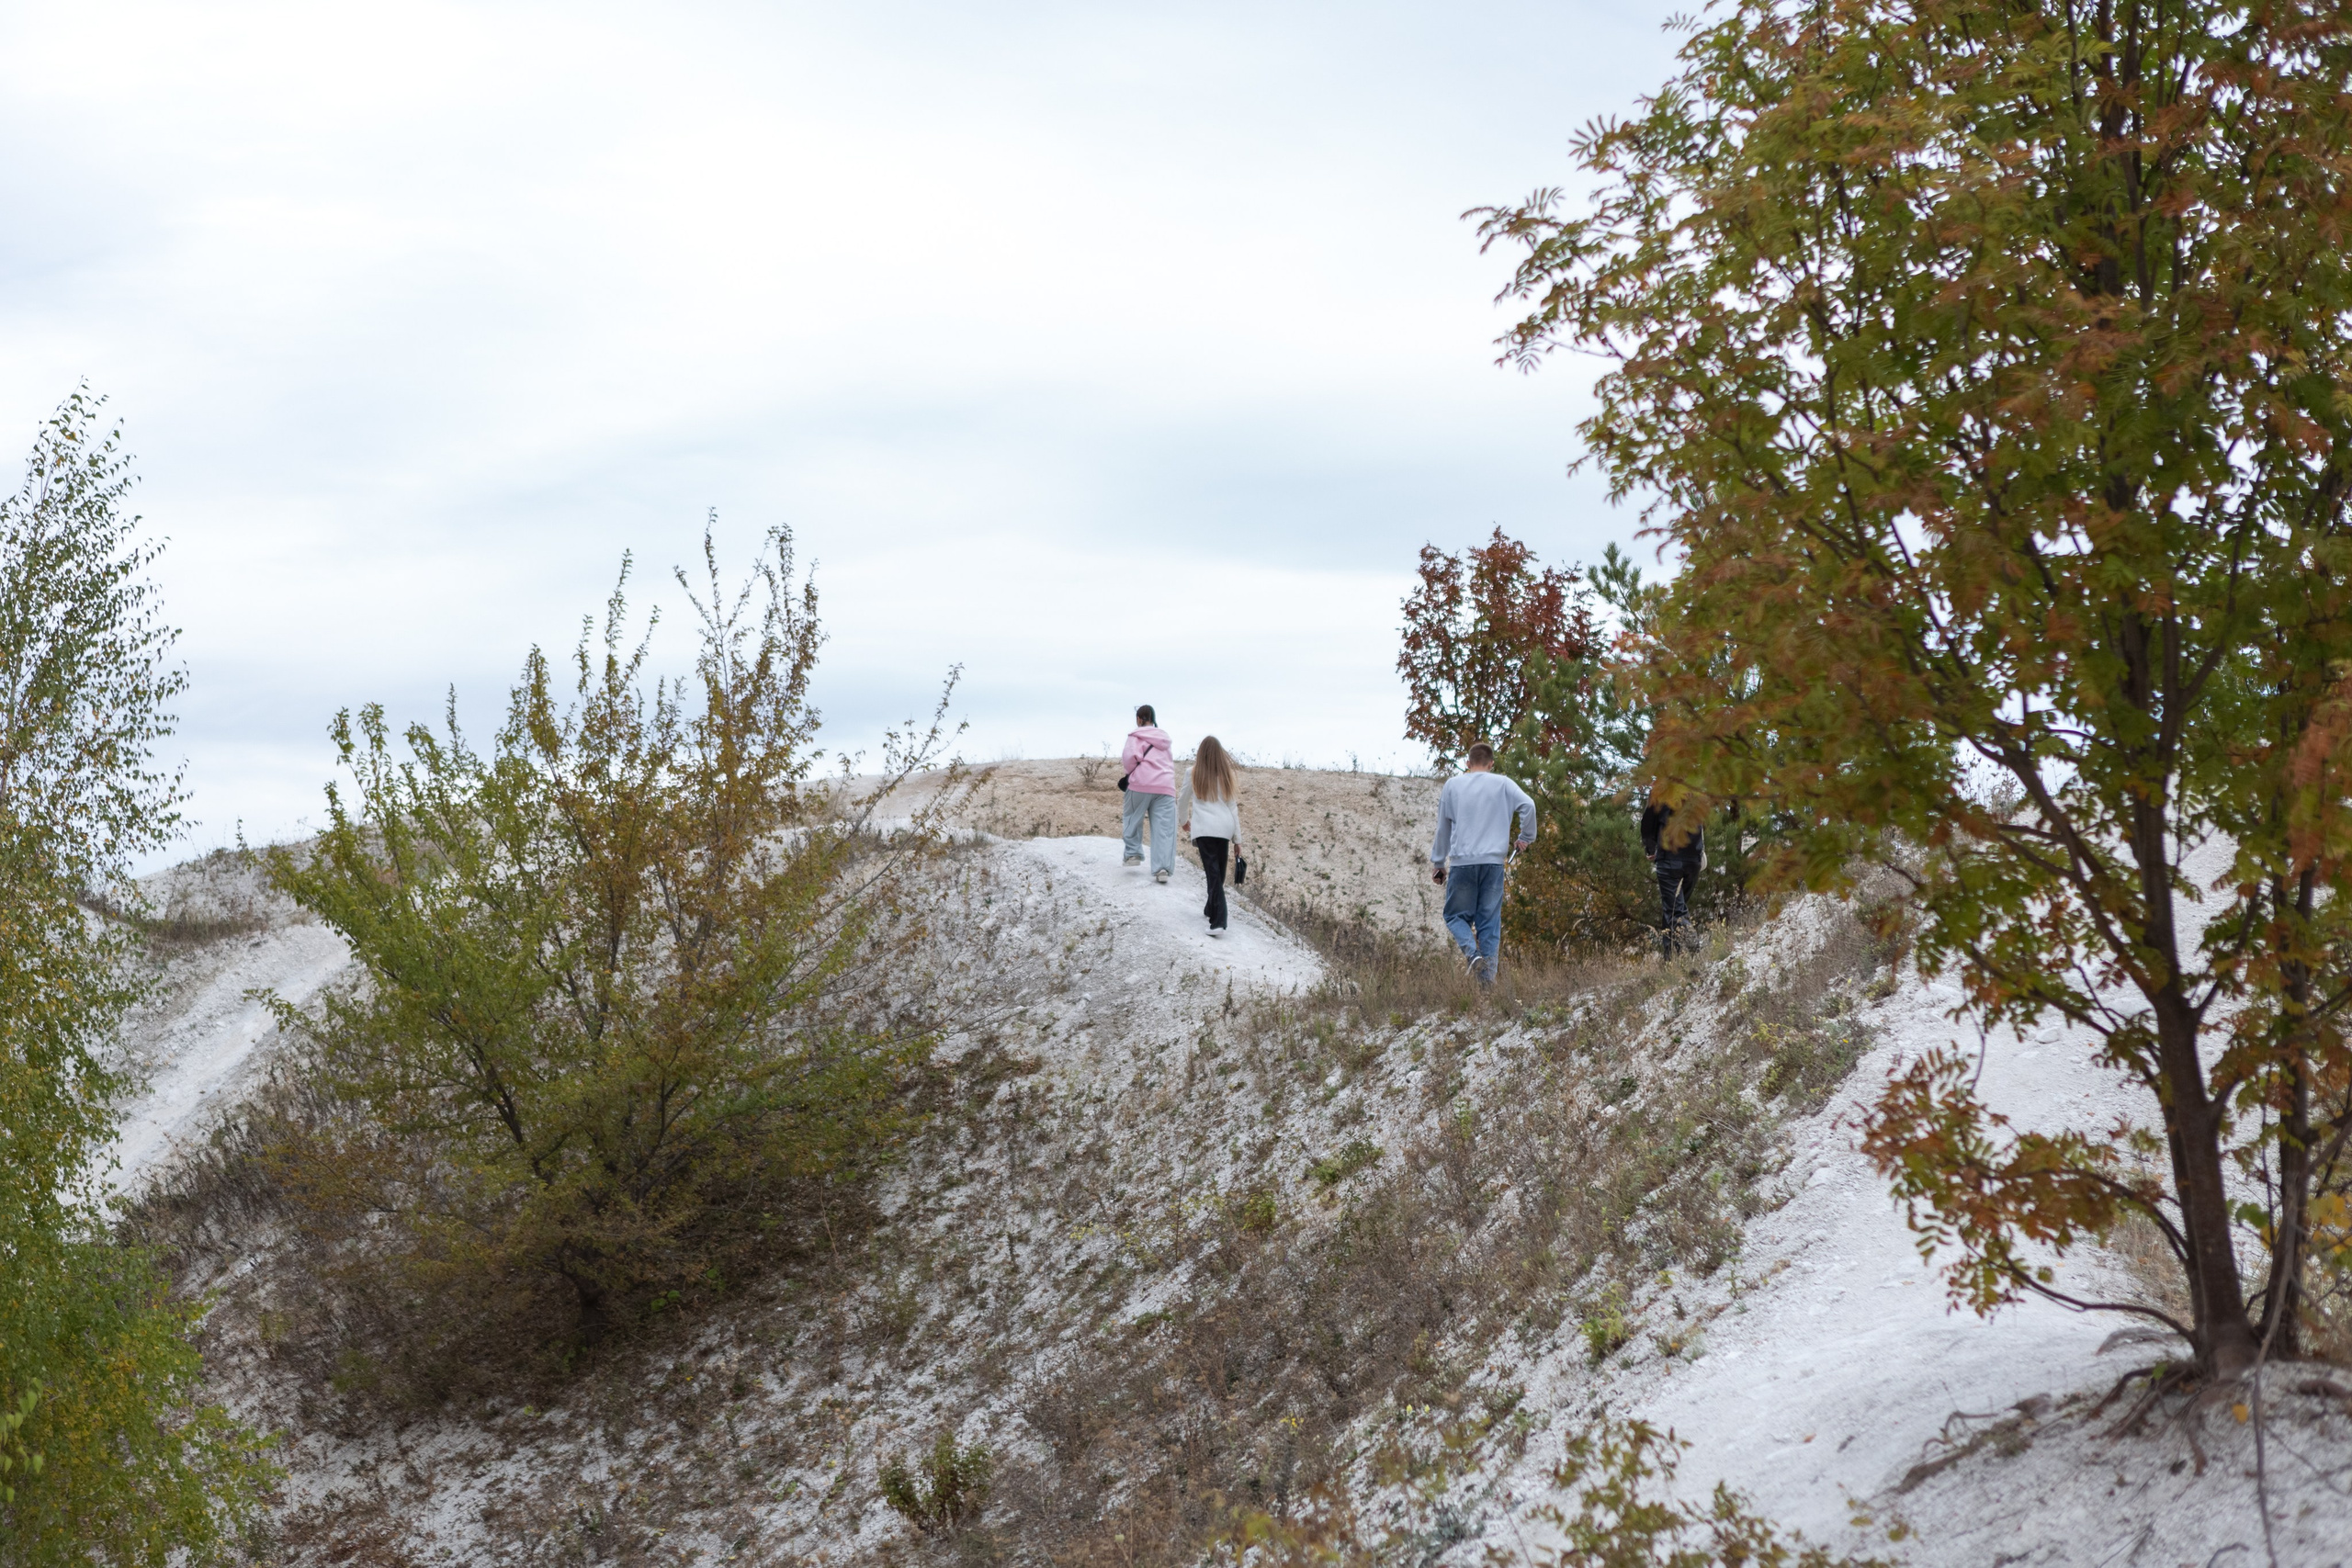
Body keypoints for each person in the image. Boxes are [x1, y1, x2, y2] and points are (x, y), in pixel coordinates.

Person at [1429, 742, 1536, 984]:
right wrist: (1525, 837)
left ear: (1468, 763)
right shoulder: (1503, 783)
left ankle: (1472, 954)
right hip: (1493, 864)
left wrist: (1438, 863)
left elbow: (1443, 827)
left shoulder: (1453, 786)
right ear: (1491, 764)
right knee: (1489, 925)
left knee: (1455, 917)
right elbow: (1528, 805)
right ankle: (1487, 987)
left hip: (1462, 863)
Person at [1178, 735, 1242, 938]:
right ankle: (1213, 913)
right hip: (1224, 829)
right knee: (1218, 874)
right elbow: (1233, 808)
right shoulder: (1226, 775)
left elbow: (1182, 799)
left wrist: (1183, 821)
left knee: (1215, 874)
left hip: (1205, 829)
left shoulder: (1192, 773)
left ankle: (1218, 920)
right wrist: (1237, 839)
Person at [1640, 791, 1705, 958]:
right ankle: (1670, 960)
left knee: (1675, 911)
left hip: (1669, 859)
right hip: (1693, 860)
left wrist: (1650, 847)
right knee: (1673, 909)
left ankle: (1694, 949)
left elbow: (1648, 823)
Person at [1120, 705, 1178, 883]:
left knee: (1132, 816)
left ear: (1139, 719)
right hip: (1166, 786)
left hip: (1142, 783)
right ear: (1153, 719)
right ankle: (1162, 869)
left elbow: (1128, 760)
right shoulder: (1165, 738)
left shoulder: (1135, 736)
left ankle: (1133, 854)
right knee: (1164, 829)